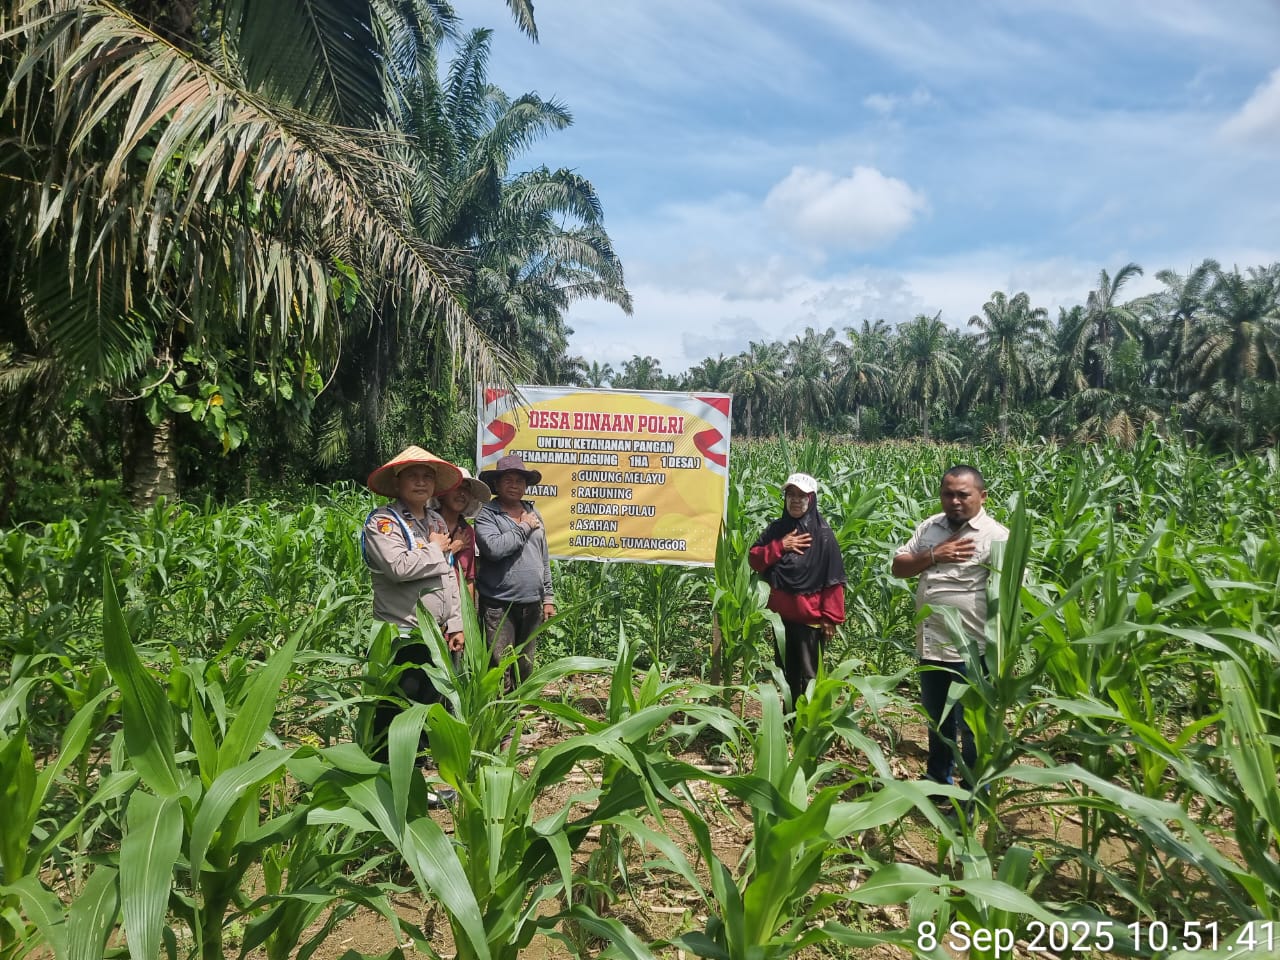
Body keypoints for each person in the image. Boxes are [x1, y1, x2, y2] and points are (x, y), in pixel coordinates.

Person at [891, 464, 1009, 789]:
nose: (954, 501)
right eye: (948, 494)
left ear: (982, 496)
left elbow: (1014, 592)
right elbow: (899, 567)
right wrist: (934, 554)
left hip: (972, 650)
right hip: (931, 644)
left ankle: (975, 791)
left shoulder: (997, 537)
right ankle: (938, 784)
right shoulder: (930, 527)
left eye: (963, 495)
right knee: (936, 721)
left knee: (971, 727)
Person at [362, 445, 465, 804]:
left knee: (423, 711)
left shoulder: (436, 522)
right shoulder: (384, 522)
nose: (421, 482)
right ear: (397, 482)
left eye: (427, 476)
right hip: (401, 634)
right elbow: (398, 568)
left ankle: (416, 785)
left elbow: (447, 575)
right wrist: (435, 548)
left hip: (434, 635)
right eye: (413, 476)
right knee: (396, 712)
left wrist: (456, 622)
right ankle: (385, 787)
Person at [748, 472, 846, 707]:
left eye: (801, 496)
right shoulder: (777, 530)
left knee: (808, 676)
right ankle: (788, 718)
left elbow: (832, 577)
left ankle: (805, 721)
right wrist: (780, 546)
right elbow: (754, 559)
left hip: (809, 621)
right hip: (781, 620)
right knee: (786, 673)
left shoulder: (822, 535)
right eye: (790, 494)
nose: (795, 500)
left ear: (811, 500)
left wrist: (830, 617)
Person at [473, 453, 556, 692]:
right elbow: (495, 549)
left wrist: (548, 597)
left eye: (520, 481)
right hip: (499, 605)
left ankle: (517, 710)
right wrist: (524, 526)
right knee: (499, 666)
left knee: (525, 664)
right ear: (496, 484)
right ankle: (499, 714)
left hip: (532, 603)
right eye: (508, 480)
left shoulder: (533, 512)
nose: (514, 485)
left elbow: (543, 556)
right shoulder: (487, 514)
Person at [433, 466, 491, 603]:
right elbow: (422, 565)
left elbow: (468, 578)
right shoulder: (428, 524)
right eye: (456, 487)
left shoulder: (467, 531)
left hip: (456, 606)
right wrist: (454, 547)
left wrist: (468, 612)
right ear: (442, 493)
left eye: (466, 489)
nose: (462, 493)